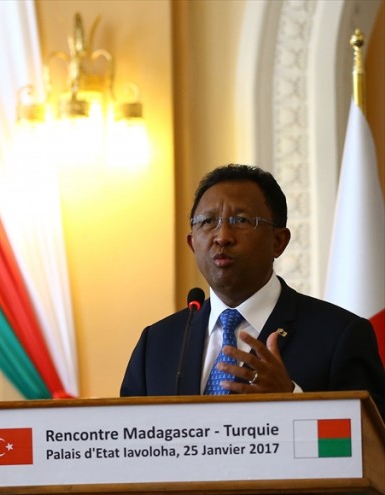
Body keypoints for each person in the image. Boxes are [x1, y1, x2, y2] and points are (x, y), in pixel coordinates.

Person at [120, 163, 385, 415]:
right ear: (192, 243)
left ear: (278, 241)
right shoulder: (157, 344)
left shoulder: (340, 336)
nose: (222, 237)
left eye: (241, 220)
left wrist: (293, 400)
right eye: (208, 221)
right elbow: (127, 437)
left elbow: (369, 441)